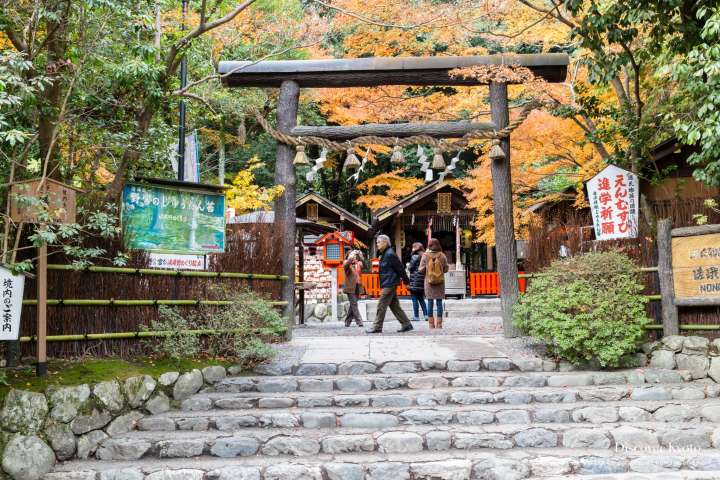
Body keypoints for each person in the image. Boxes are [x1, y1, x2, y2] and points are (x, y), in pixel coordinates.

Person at [369, 234, 413, 333]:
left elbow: (400, 268)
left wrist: (406, 281)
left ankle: (377, 327)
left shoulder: (389, 254)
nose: (377, 244)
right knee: (394, 306)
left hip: (390, 283)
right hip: (388, 282)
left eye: (379, 242)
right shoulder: (385, 253)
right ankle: (406, 324)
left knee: (381, 305)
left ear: (385, 242)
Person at [419, 238, 449, 328]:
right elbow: (446, 269)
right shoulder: (442, 256)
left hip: (429, 282)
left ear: (429, 246)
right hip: (440, 282)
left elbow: (421, 269)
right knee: (439, 303)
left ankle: (431, 324)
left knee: (430, 302)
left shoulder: (425, 256)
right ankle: (439, 324)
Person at [342, 249, 364, 327]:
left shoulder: (358, 264)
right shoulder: (346, 264)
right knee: (354, 304)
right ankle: (359, 321)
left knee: (353, 304)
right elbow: (346, 265)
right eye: (352, 255)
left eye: (354, 256)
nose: (354, 257)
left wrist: (359, 254)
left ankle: (347, 321)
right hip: (350, 287)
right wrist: (350, 258)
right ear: (348, 256)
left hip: (357, 286)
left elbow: (362, 263)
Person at [407, 242, 428, 322]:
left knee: (415, 299)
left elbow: (410, 267)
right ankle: (426, 315)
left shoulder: (415, 256)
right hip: (422, 280)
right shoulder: (424, 256)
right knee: (421, 299)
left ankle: (416, 316)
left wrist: (408, 266)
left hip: (415, 280)